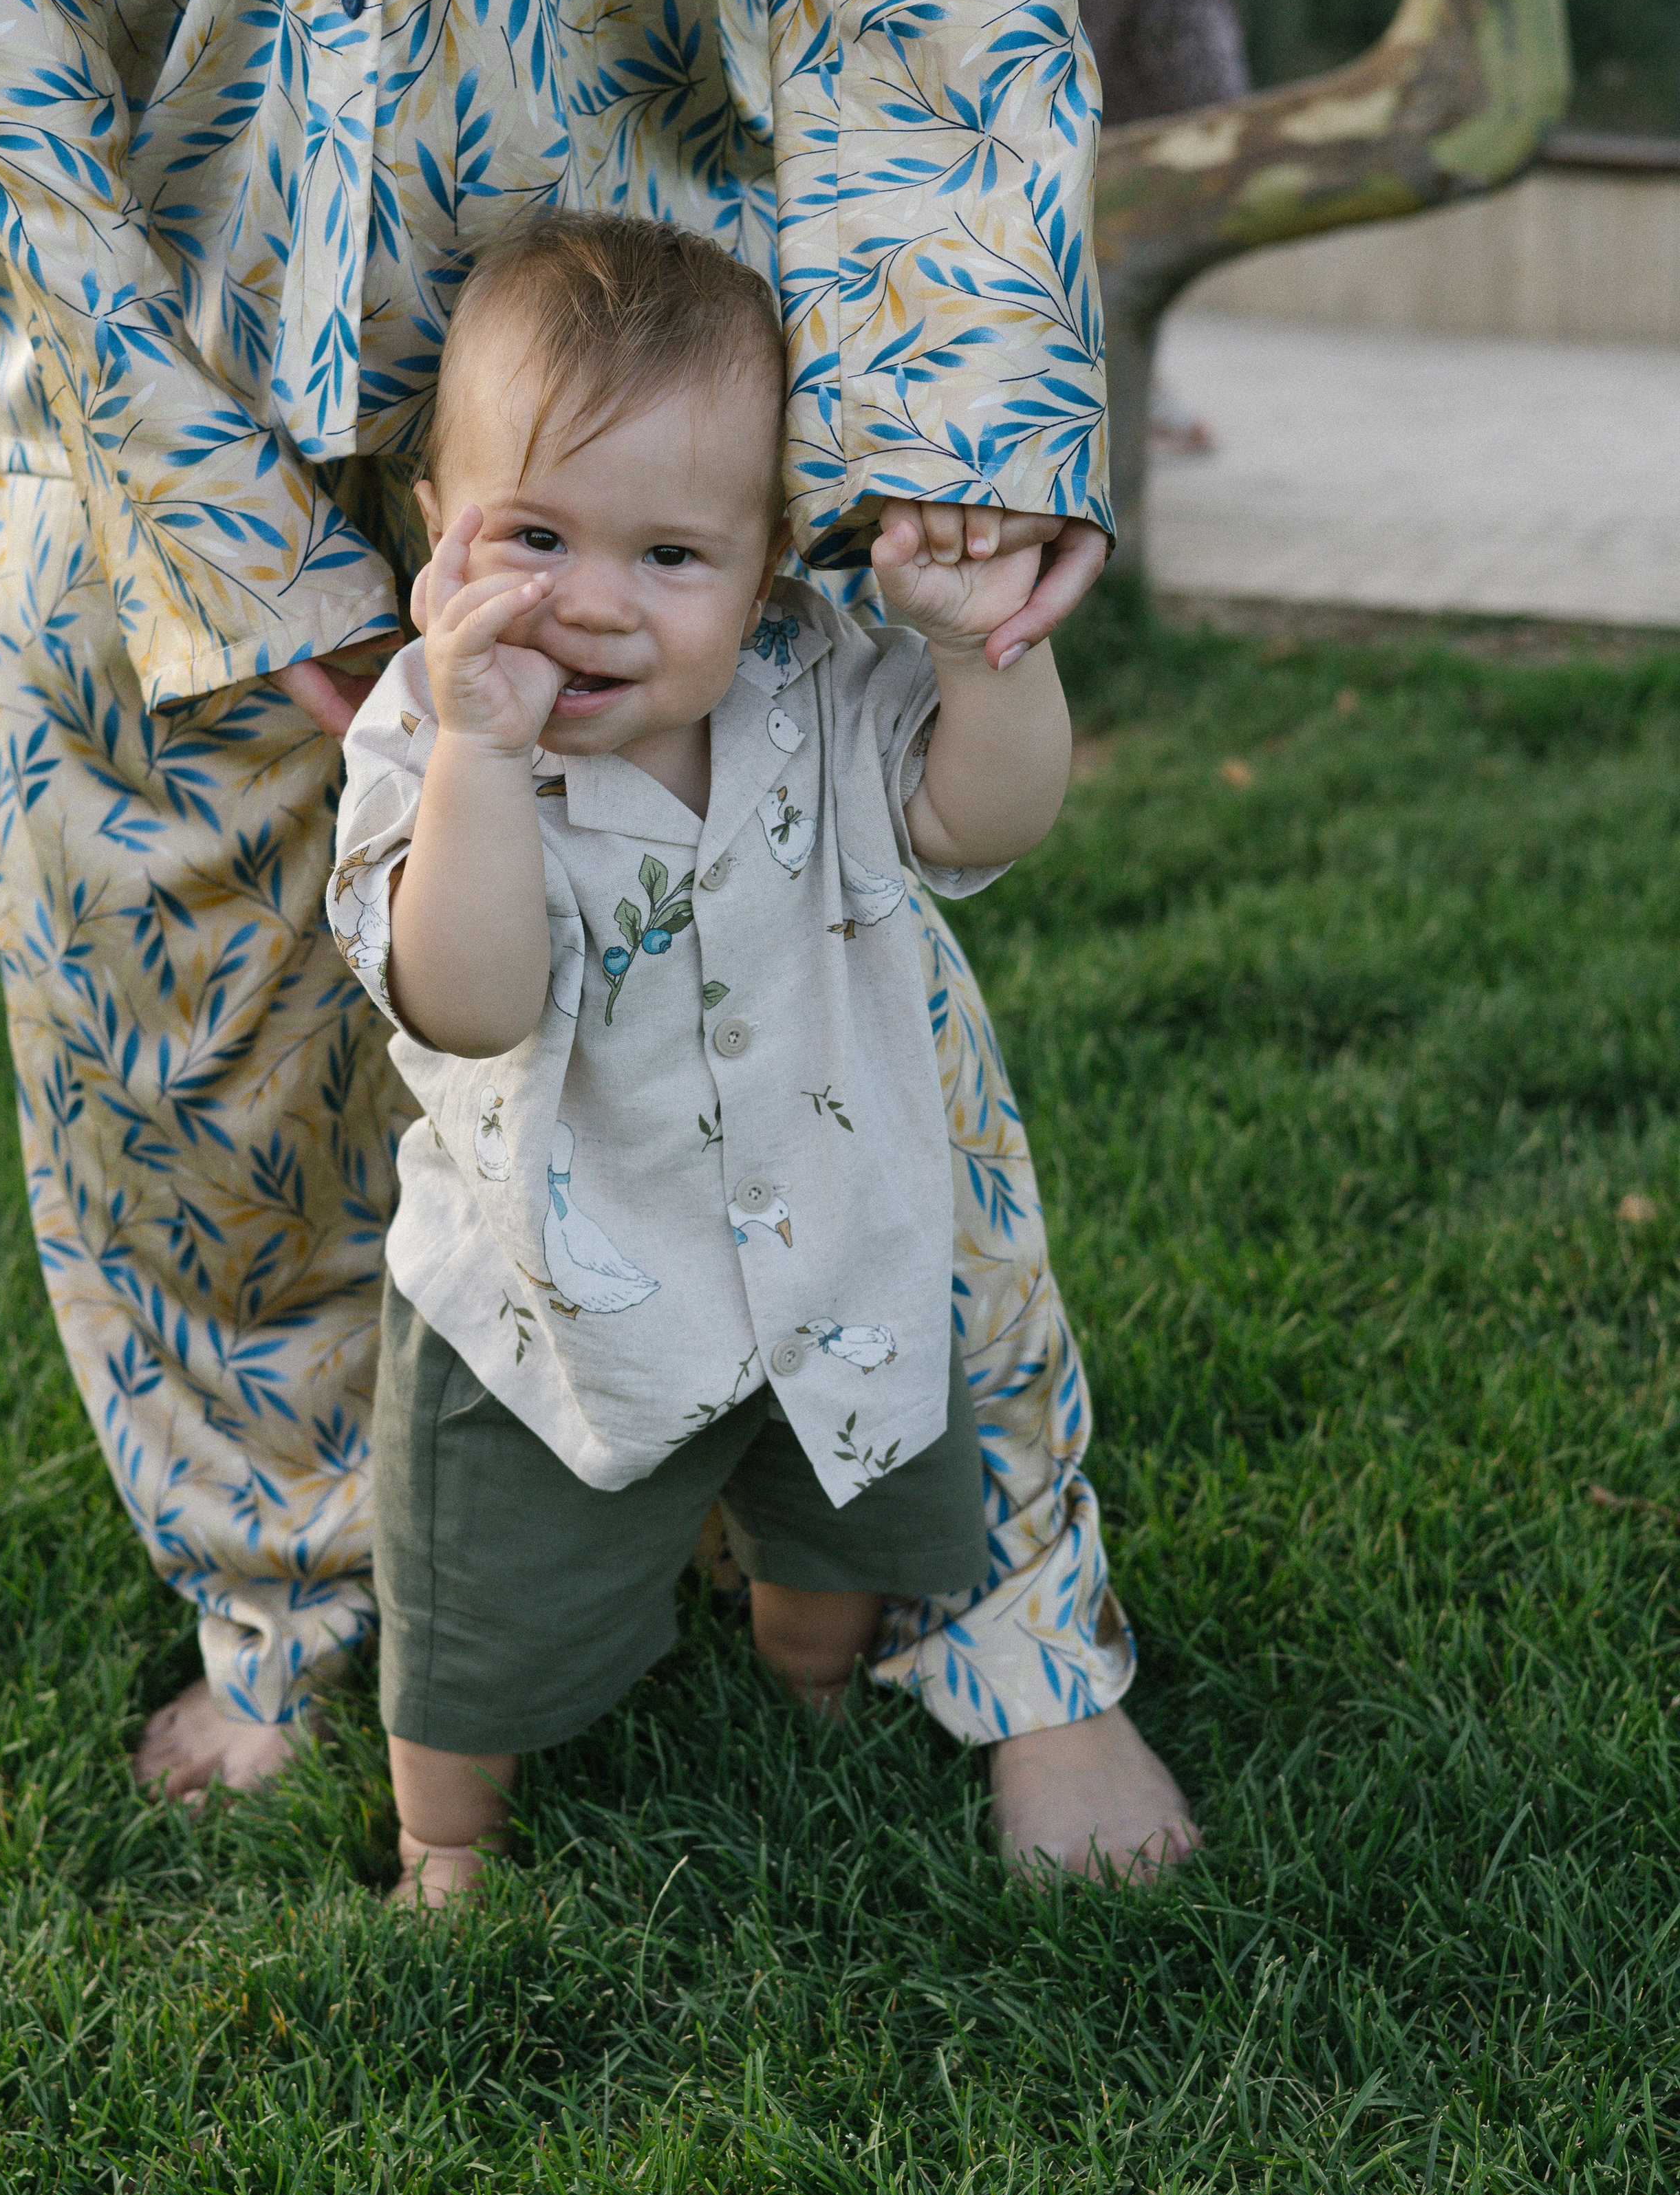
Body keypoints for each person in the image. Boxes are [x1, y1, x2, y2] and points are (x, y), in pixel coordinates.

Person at [0, 0, 1198, 1880]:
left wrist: (984, 406)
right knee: (176, 1023)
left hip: (654, 249)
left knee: (833, 994)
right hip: (175, 266)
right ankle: (289, 1586)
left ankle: (1008, 1621)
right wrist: (186, 489)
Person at [329, 217, 1106, 1901]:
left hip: (831, 1251)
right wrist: (479, 755)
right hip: (548, 1307)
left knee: (839, 1524)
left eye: (671, 555)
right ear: (437, 531)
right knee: (482, 1617)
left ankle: (805, 1680)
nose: (593, 601)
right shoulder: (427, 734)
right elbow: (467, 1001)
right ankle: (447, 1842)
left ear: (764, 574)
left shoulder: (814, 681)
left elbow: (983, 818)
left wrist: (977, 648)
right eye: (535, 535)